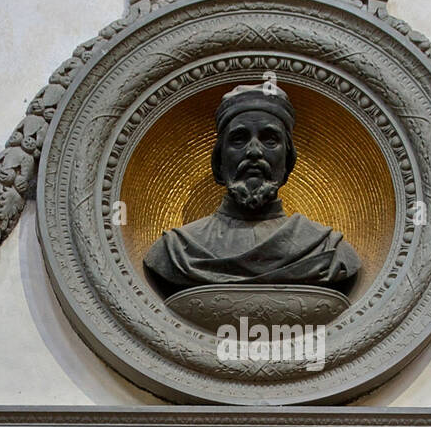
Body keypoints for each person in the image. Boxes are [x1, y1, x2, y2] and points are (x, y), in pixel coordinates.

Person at [143, 83, 361, 295]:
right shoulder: (176, 250)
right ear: (219, 161)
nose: (254, 151)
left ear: (288, 161)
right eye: (239, 139)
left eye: (269, 140)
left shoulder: (328, 249)